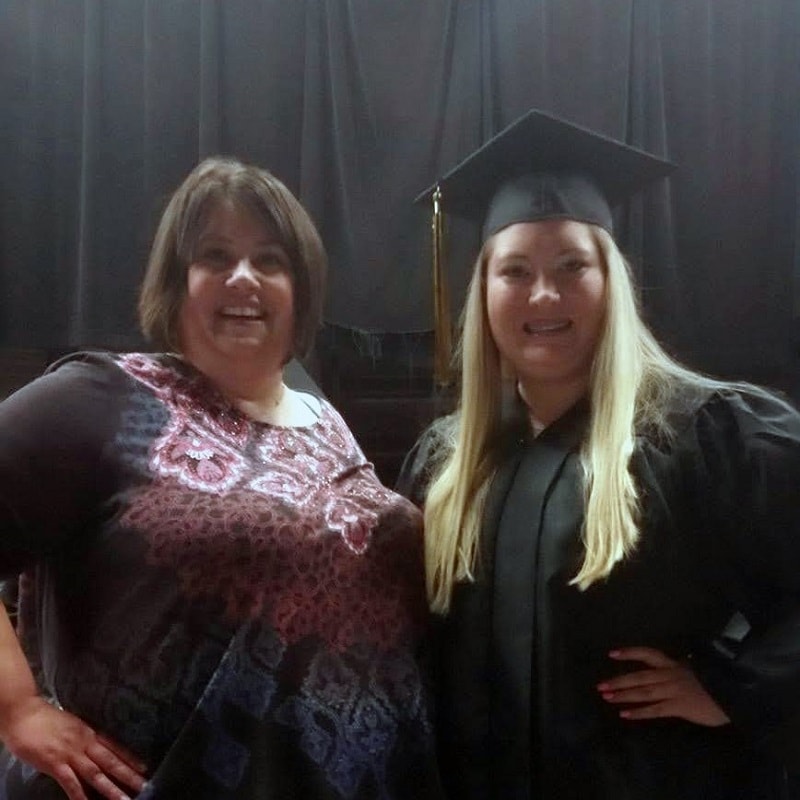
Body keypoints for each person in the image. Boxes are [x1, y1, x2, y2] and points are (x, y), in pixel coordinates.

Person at [0, 157, 443, 799]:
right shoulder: (103, 398)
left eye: (270, 260)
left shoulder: (324, 419)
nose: (244, 278)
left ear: (302, 289)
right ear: (177, 284)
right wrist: (17, 709)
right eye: (214, 256)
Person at [398, 110, 800, 799]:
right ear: (484, 291)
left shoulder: (704, 435)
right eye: (515, 271)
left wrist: (737, 689)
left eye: (572, 266)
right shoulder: (445, 465)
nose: (544, 294)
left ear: (611, 281)